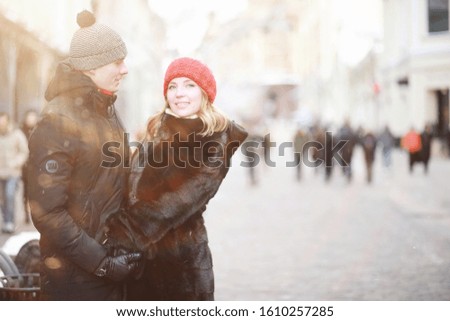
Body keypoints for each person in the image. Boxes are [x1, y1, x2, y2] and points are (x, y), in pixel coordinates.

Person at [103, 57, 248, 300]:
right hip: (141, 264)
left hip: (180, 269)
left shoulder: (214, 142)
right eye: (173, 86)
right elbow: (135, 185)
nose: (179, 93)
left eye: (189, 85)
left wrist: (118, 233)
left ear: (204, 93)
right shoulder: (160, 129)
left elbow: (172, 205)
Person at [27, 10, 141, 300]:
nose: (125, 69)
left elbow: (106, 179)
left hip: (113, 266)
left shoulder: (107, 109)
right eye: (118, 61)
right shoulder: (58, 121)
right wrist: (102, 263)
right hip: (76, 279)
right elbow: (48, 212)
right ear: (92, 68)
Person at [0, 112, 29, 234]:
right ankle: (6, 221)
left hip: (13, 172)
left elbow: (24, 152)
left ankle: (10, 222)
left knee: (10, 194)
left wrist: (15, 162)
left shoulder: (17, 134)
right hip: (0, 172)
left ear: (8, 121)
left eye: (3, 121)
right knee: (2, 199)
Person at [20, 109, 39, 224]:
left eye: (33, 117)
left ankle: (35, 213)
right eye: (29, 117)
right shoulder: (21, 131)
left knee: (36, 192)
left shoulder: (40, 130)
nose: (31, 119)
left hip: (37, 166)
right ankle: (26, 214)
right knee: (26, 192)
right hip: (25, 167)